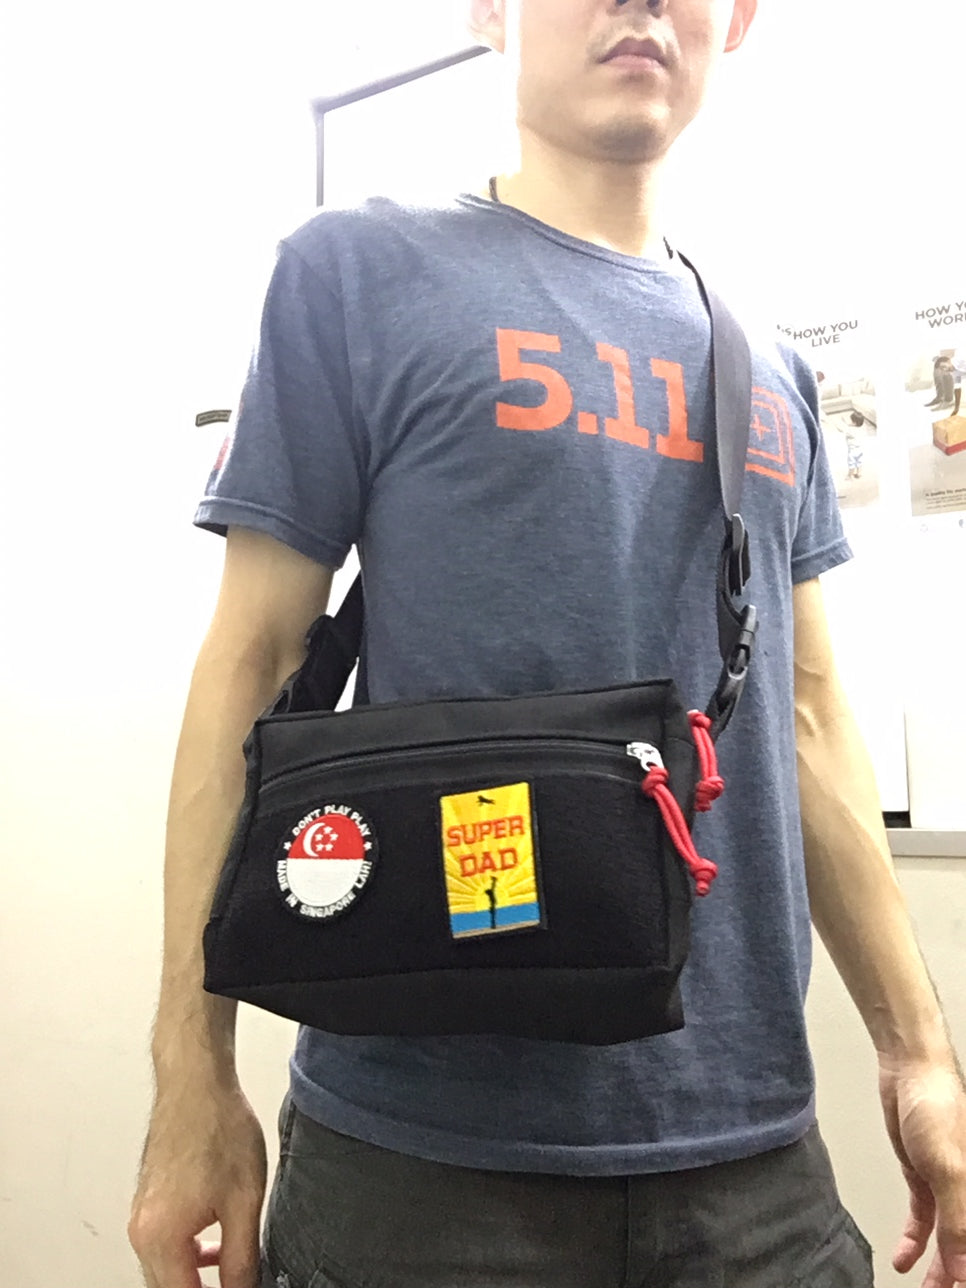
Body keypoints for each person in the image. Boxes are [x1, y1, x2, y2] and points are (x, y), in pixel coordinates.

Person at [129, 2, 966, 1287]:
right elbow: (251, 662)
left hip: (756, 1175)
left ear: (738, 19)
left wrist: (917, 1055)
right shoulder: (356, 273)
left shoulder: (776, 374)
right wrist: (191, 1071)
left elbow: (807, 720)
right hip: (418, 1172)